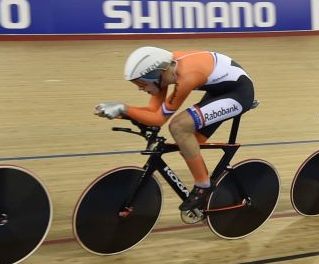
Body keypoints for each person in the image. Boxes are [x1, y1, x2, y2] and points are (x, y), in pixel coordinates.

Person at [95, 47, 256, 216]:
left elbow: (159, 119)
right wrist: (121, 114)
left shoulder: (186, 75)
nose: (140, 89)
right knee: (189, 144)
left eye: (141, 83)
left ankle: (203, 185)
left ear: (155, 75)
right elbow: (153, 110)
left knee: (179, 126)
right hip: (219, 91)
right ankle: (211, 187)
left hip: (238, 93)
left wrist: (124, 109)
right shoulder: (164, 69)